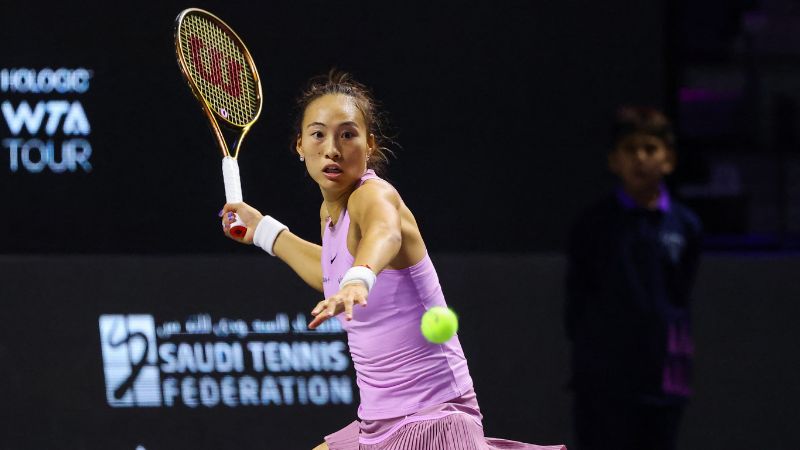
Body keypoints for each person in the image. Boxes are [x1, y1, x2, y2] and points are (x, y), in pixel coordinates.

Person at [220, 70, 565, 450]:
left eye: (347, 134)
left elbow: (385, 233)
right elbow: (329, 272)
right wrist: (265, 232)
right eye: (318, 134)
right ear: (299, 146)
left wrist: (359, 278)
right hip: (378, 422)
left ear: (369, 145)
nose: (332, 148)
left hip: (434, 418)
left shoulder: (373, 195)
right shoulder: (329, 214)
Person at [564, 106, 702, 450]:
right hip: (603, 383)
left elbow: (680, 292)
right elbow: (577, 299)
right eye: (630, 150)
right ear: (614, 161)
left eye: (650, 149)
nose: (640, 158)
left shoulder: (686, 225)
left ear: (668, 159)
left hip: (664, 381)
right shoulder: (593, 224)